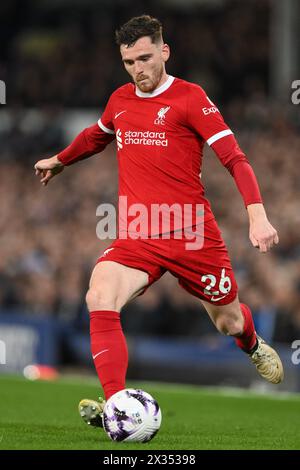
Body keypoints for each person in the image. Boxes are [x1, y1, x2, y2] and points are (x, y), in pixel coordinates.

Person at [34, 15, 283, 428]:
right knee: (99, 296)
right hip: (137, 232)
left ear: (164, 52)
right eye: (129, 62)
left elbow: (235, 158)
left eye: (145, 58)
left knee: (228, 321)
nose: (138, 70)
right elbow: (98, 134)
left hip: (191, 233)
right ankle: (118, 406)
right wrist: (61, 160)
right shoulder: (120, 99)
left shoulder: (190, 98)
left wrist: (256, 215)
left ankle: (252, 343)